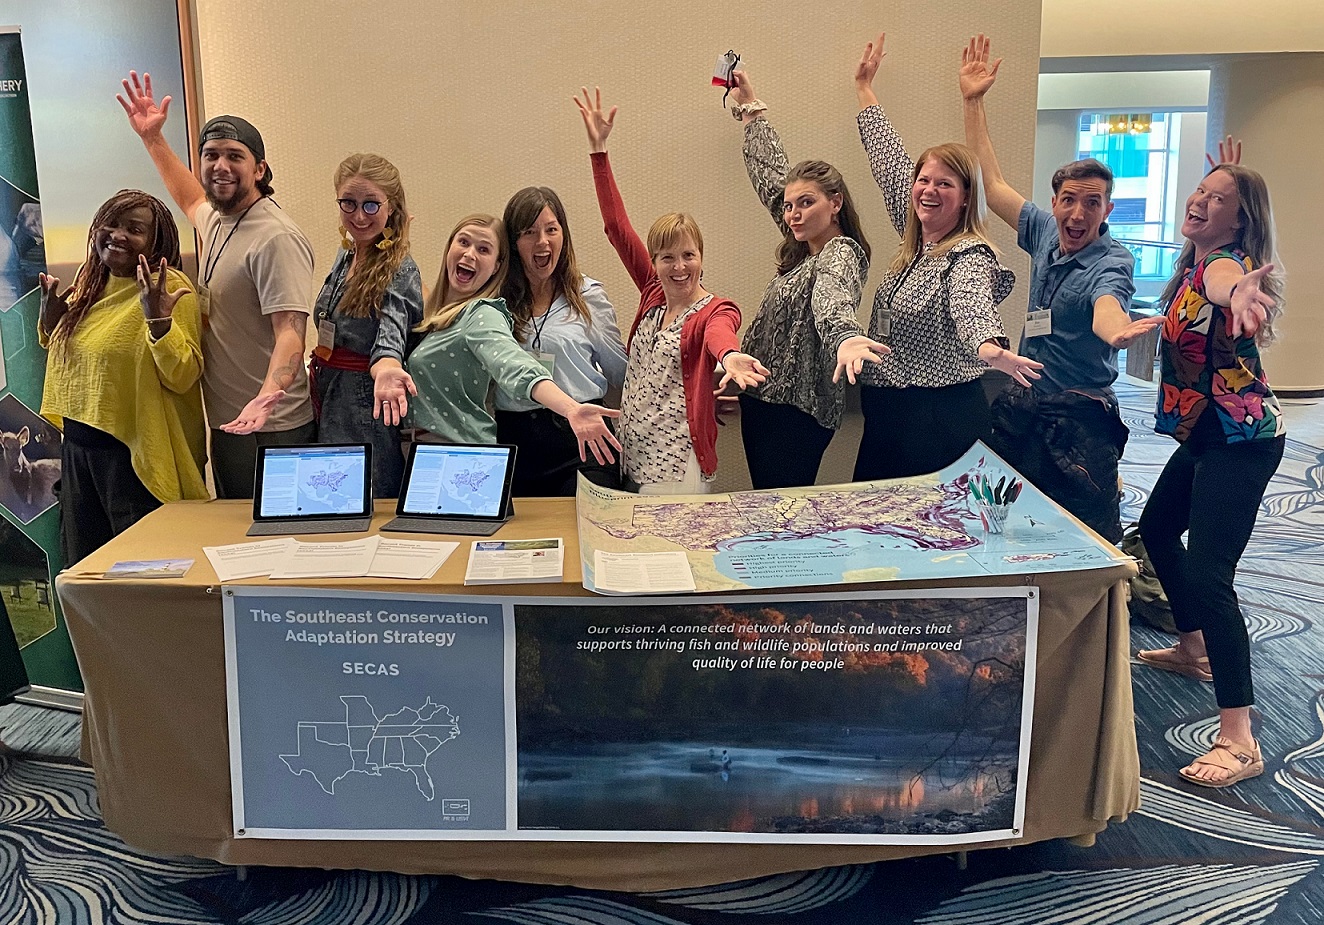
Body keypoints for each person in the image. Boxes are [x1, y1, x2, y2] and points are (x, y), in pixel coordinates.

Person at [959, 36, 1162, 543]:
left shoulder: (1114, 260)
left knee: (1085, 532)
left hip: (1078, 415)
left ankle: (1097, 618)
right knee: (1003, 522)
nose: (1078, 213)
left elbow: (1108, 307)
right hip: (1026, 402)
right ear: (1054, 203)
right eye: (1069, 200)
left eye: (1092, 203)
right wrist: (973, 102)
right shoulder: (1047, 231)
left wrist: (1116, 332)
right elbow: (994, 182)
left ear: (1108, 210)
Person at [1136, 160, 1285, 788]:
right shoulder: (1191, 267)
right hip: (1206, 434)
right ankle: (1193, 646)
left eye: (1218, 198)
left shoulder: (1222, 267)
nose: (1199, 200)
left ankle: (1239, 737)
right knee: (1157, 530)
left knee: (1209, 571)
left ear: (1238, 221)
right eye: (1200, 189)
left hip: (1243, 441)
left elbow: (1228, 282)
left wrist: (1238, 293)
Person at [851, 33, 1041, 481]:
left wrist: (990, 348)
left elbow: (970, 304)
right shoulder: (917, 237)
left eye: (944, 184)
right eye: (924, 180)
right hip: (888, 415)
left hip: (939, 418)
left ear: (965, 198)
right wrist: (864, 90)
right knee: (875, 529)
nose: (928, 190)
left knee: (940, 539)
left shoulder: (969, 253)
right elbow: (888, 160)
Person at [119, 72, 316, 498]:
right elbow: (190, 198)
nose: (220, 166)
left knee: (274, 543)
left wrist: (266, 398)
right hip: (229, 422)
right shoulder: (219, 220)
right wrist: (152, 139)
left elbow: (291, 333)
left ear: (260, 169)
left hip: (272, 426)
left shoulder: (275, 237)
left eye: (234, 156)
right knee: (234, 536)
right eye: (210, 155)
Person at [574, 87, 768, 494]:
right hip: (634, 451)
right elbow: (615, 227)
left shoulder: (715, 309)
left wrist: (730, 357)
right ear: (655, 263)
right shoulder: (653, 294)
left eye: (688, 255)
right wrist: (599, 150)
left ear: (701, 256)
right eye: (667, 258)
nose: (679, 267)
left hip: (678, 464)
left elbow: (720, 335)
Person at [727, 69, 884, 490]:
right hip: (763, 401)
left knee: (785, 515)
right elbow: (772, 179)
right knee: (769, 508)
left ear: (836, 204)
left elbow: (833, 299)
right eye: (790, 206)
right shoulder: (803, 251)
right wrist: (751, 113)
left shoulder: (840, 253)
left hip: (797, 411)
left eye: (806, 203)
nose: (793, 213)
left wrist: (847, 338)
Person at [36, 190, 206, 564]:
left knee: (139, 580)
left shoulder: (168, 288)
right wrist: (50, 322)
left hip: (131, 462)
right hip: (78, 456)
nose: (118, 235)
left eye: (135, 229)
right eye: (110, 224)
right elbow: (83, 361)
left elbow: (183, 374)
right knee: (86, 576)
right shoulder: (90, 283)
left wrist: (159, 322)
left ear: (156, 240)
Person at [373, 215, 620, 463]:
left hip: (461, 456)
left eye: (483, 249)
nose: (470, 254)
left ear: (496, 266)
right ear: (449, 248)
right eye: (464, 242)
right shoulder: (434, 315)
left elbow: (514, 365)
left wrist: (570, 409)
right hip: (423, 452)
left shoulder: (482, 314)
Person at [496, 186, 628, 495]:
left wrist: (693, 393)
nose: (542, 242)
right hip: (517, 439)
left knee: (590, 531)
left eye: (551, 230)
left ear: (563, 236)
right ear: (514, 243)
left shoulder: (588, 296)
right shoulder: (497, 301)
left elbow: (620, 373)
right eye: (530, 232)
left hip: (582, 438)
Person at [310, 154, 423, 498]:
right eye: (349, 203)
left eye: (371, 205)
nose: (359, 216)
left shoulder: (399, 267)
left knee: (362, 501)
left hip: (368, 404)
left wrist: (388, 367)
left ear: (392, 207)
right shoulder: (347, 255)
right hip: (331, 394)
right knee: (330, 495)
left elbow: (391, 334)